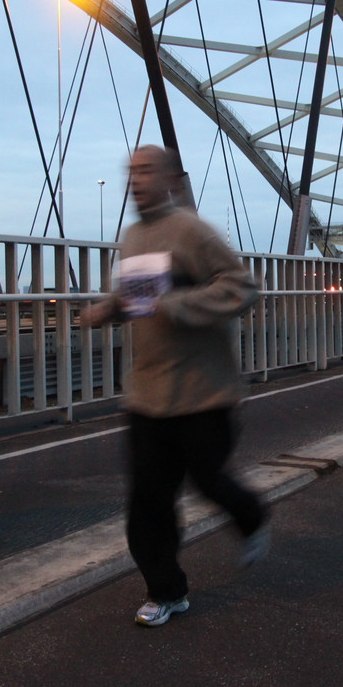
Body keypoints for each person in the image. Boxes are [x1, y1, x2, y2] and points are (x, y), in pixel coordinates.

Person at [80, 145, 267, 627]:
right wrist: (107, 309)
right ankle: (166, 590)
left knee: (209, 481)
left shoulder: (192, 231)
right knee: (147, 501)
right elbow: (136, 297)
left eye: (146, 171)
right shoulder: (131, 237)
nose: (136, 180)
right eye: (131, 172)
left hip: (203, 392)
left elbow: (243, 287)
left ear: (170, 180)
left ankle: (251, 517)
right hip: (148, 394)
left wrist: (179, 305)